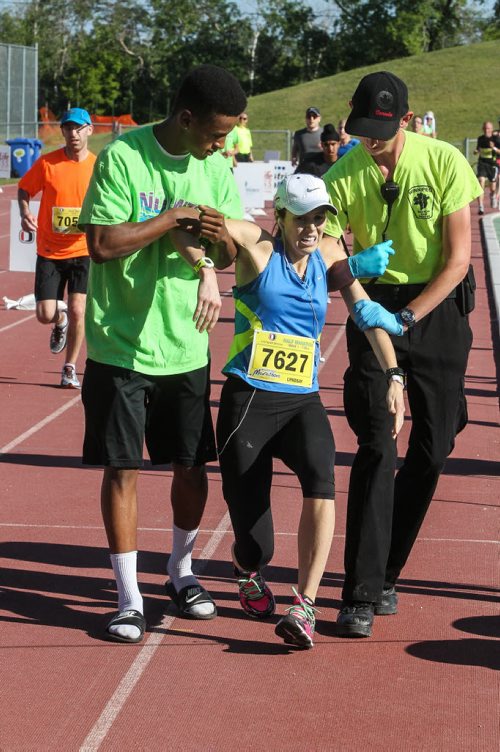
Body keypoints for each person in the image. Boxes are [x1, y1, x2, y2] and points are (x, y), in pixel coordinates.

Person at [172, 173, 405, 649]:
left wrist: (394, 375)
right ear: (280, 216)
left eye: (320, 219)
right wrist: (203, 273)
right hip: (248, 402)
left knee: (323, 480)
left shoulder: (327, 256)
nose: (311, 229)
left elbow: (363, 313)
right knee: (259, 545)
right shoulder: (257, 246)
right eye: (301, 218)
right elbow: (181, 217)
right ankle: (245, 566)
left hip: (302, 400)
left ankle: (305, 605)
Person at [78, 64, 247, 644]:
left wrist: (217, 244)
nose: (222, 144)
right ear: (185, 117)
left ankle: (181, 572)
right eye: (215, 133)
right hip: (119, 345)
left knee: (191, 466)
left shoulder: (216, 169)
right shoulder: (123, 158)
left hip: (186, 345)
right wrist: (173, 217)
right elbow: (101, 245)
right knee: (122, 469)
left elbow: (227, 255)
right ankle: (129, 598)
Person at [322, 71, 482, 638]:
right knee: (374, 443)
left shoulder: (445, 163)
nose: (374, 143)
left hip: (435, 306)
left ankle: (389, 569)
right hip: (374, 306)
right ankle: (360, 593)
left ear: (407, 121)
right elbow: (322, 242)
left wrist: (409, 316)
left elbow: (459, 259)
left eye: (383, 133)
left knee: (434, 447)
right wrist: (357, 293)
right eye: (364, 131)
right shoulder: (342, 173)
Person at [17, 107, 96, 388]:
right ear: (62, 131)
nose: (72, 134)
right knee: (44, 314)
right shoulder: (47, 164)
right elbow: (24, 189)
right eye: (67, 128)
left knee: (79, 309)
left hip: (83, 250)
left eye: (78, 128)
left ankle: (70, 367)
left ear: (89, 130)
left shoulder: (98, 167)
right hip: (50, 251)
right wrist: (25, 212)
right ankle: (58, 320)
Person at [474, 121, 500, 214]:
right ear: (483, 129)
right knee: (481, 181)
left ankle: (493, 195)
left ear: (492, 129)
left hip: (492, 164)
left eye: (488, 128)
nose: (486, 130)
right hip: (482, 163)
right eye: (485, 128)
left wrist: (494, 148)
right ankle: (481, 207)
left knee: (493, 187)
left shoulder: (496, 139)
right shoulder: (480, 139)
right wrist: (476, 151)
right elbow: (478, 149)